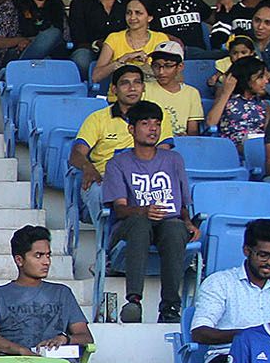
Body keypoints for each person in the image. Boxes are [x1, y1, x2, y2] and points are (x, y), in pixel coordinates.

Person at [102, 100, 196, 324]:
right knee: (140, 223)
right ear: (131, 129)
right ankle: (134, 301)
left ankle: (171, 306)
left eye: (157, 124)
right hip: (131, 224)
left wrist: (189, 223)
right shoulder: (118, 163)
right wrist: (143, 211)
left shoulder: (173, 159)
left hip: (168, 221)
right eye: (145, 123)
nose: (153, 128)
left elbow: (182, 204)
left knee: (175, 229)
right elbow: (120, 209)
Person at [70, 66, 176, 239]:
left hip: (143, 181)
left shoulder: (157, 117)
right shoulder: (98, 118)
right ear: (114, 89)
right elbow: (76, 153)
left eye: (137, 83)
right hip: (105, 179)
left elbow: (163, 154)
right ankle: (106, 248)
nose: (132, 88)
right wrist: (87, 167)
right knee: (96, 190)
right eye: (125, 83)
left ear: (143, 88)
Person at [0, 226, 93, 363]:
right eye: (38, 256)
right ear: (19, 260)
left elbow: (86, 337)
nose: (46, 262)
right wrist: (21, 351)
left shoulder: (62, 293)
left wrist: (65, 339)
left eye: (48, 255)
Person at [191, 219, 270, 363]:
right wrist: (249, 337)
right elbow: (199, 332)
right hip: (228, 356)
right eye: (263, 255)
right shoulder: (220, 282)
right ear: (247, 250)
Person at [68, 0, 128, 79]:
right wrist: (98, 45)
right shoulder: (81, 2)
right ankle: (87, 93)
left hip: (123, 53)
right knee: (81, 57)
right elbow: (78, 40)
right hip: (91, 53)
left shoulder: (129, 2)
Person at [91, 0, 171, 84]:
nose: (132, 17)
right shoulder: (114, 38)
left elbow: (171, 75)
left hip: (153, 95)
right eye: (129, 13)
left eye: (138, 13)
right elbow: (95, 77)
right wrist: (123, 59)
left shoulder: (160, 39)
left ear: (150, 17)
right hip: (119, 96)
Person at [206, 55, 270, 144]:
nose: (266, 81)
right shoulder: (227, 99)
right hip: (233, 147)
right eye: (260, 77)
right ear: (246, 78)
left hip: (259, 145)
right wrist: (226, 92)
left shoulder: (263, 104)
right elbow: (211, 122)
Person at [147, 41, 203, 137]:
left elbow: (193, 130)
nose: (161, 72)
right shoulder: (144, 89)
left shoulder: (191, 93)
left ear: (180, 67)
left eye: (168, 66)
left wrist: (186, 138)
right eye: (156, 66)